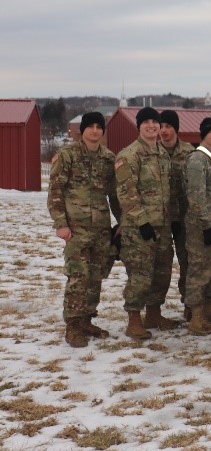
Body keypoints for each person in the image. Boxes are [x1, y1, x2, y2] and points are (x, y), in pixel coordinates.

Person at [48, 111, 121, 347]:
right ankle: (73, 326)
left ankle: (87, 319)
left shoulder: (109, 158)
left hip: (101, 228)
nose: (95, 131)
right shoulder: (67, 155)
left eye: (99, 127)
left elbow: (114, 195)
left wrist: (122, 223)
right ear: (83, 130)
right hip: (77, 229)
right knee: (78, 277)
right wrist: (61, 224)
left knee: (96, 276)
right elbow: (55, 193)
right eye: (90, 126)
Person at [115, 107, 177, 339]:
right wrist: (142, 222)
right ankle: (133, 319)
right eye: (146, 122)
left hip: (162, 225)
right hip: (139, 228)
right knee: (140, 275)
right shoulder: (129, 155)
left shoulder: (162, 154)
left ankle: (153, 314)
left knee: (162, 273)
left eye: (155, 122)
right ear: (138, 126)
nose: (152, 126)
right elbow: (125, 193)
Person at [184, 117, 211, 335]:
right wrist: (205, 225)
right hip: (201, 226)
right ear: (203, 134)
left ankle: (209, 307)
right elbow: (195, 196)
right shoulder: (197, 160)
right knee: (200, 270)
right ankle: (196, 316)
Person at [156, 110, 194, 316]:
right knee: (160, 264)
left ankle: (190, 304)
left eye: (169, 126)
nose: (164, 131)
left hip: (184, 219)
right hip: (158, 219)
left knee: (188, 261)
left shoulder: (189, 153)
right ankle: (154, 310)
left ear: (176, 129)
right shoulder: (151, 152)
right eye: (161, 127)